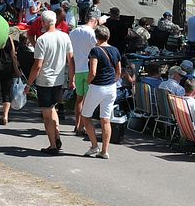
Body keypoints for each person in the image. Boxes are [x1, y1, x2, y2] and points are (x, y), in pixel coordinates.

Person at [24, 10, 75, 155]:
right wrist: (72, 79)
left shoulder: (42, 40)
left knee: (46, 114)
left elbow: (37, 65)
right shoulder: (65, 36)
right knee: (53, 108)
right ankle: (57, 136)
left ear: (44, 23)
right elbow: (70, 60)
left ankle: (52, 145)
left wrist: (28, 83)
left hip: (45, 80)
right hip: (59, 80)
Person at [81, 25, 122, 159]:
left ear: (96, 37)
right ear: (108, 36)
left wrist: (87, 82)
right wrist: (113, 80)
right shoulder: (115, 50)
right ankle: (105, 150)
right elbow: (119, 71)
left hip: (97, 86)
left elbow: (93, 71)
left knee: (86, 116)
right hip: (111, 87)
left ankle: (94, 146)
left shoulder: (95, 51)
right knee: (105, 119)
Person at [69, 10, 102, 135]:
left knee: (79, 99)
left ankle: (77, 124)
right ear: (93, 21)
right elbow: (97, 50)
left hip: (77, 68)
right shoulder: (91, 34)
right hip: (89, 70)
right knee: (87, 101)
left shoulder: (74, 32)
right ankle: (82, 126)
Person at [0, 34, 20, 125]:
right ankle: (5, 116)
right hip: (7, 68)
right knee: (6, 92)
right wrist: (16, 69)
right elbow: (13, 55)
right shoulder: (9, 38)